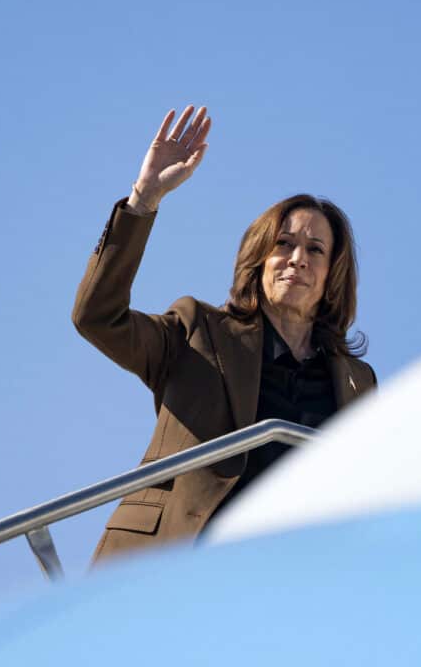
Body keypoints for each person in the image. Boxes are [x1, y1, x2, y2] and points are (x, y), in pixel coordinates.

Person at [73, 104, 377, 563]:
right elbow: (97, 317)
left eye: (315, 250)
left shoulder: (358, 381)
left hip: (301, 575)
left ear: (331, 274)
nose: (298, 259)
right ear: (260, 259)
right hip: (181, 565)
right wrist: (143, 200)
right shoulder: (199, 331)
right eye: (284, 244)